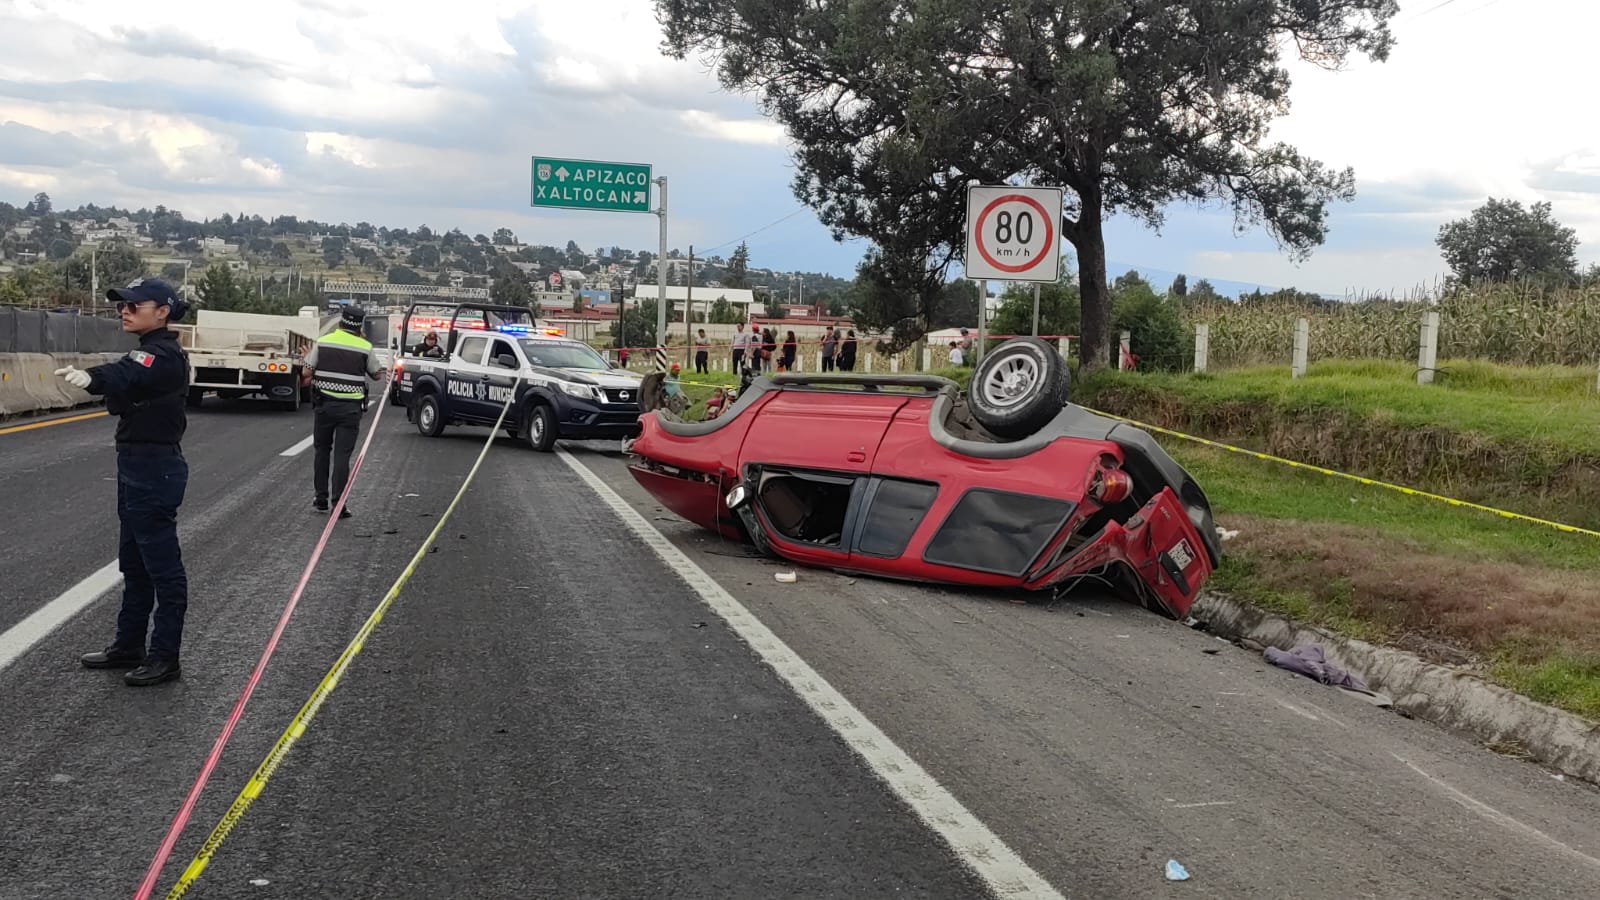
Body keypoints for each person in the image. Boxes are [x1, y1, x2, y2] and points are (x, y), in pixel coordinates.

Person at [56, 277, 192, 686]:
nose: (124, 310)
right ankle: (129, 644)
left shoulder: (163, 354)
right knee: (134, 565)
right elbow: (129, 378)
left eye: (134, 304)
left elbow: (124, 374)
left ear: (163, 311)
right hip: (135, 462)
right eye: (121, 305)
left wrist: (92, 378)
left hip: (155, 467)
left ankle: (165, 656)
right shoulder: (148, 351)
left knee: (163, 569)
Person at [302, 306, 384, 519]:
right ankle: (339, 504)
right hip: (350, 409)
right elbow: (376, 375)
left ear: (340, 323)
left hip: (324, 406)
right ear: (359, 327)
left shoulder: (324, 341)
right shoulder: (365, 347)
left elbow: (306, 372)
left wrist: (306, 359)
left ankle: (320, 498)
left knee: (322, 451)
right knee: (342, 456)